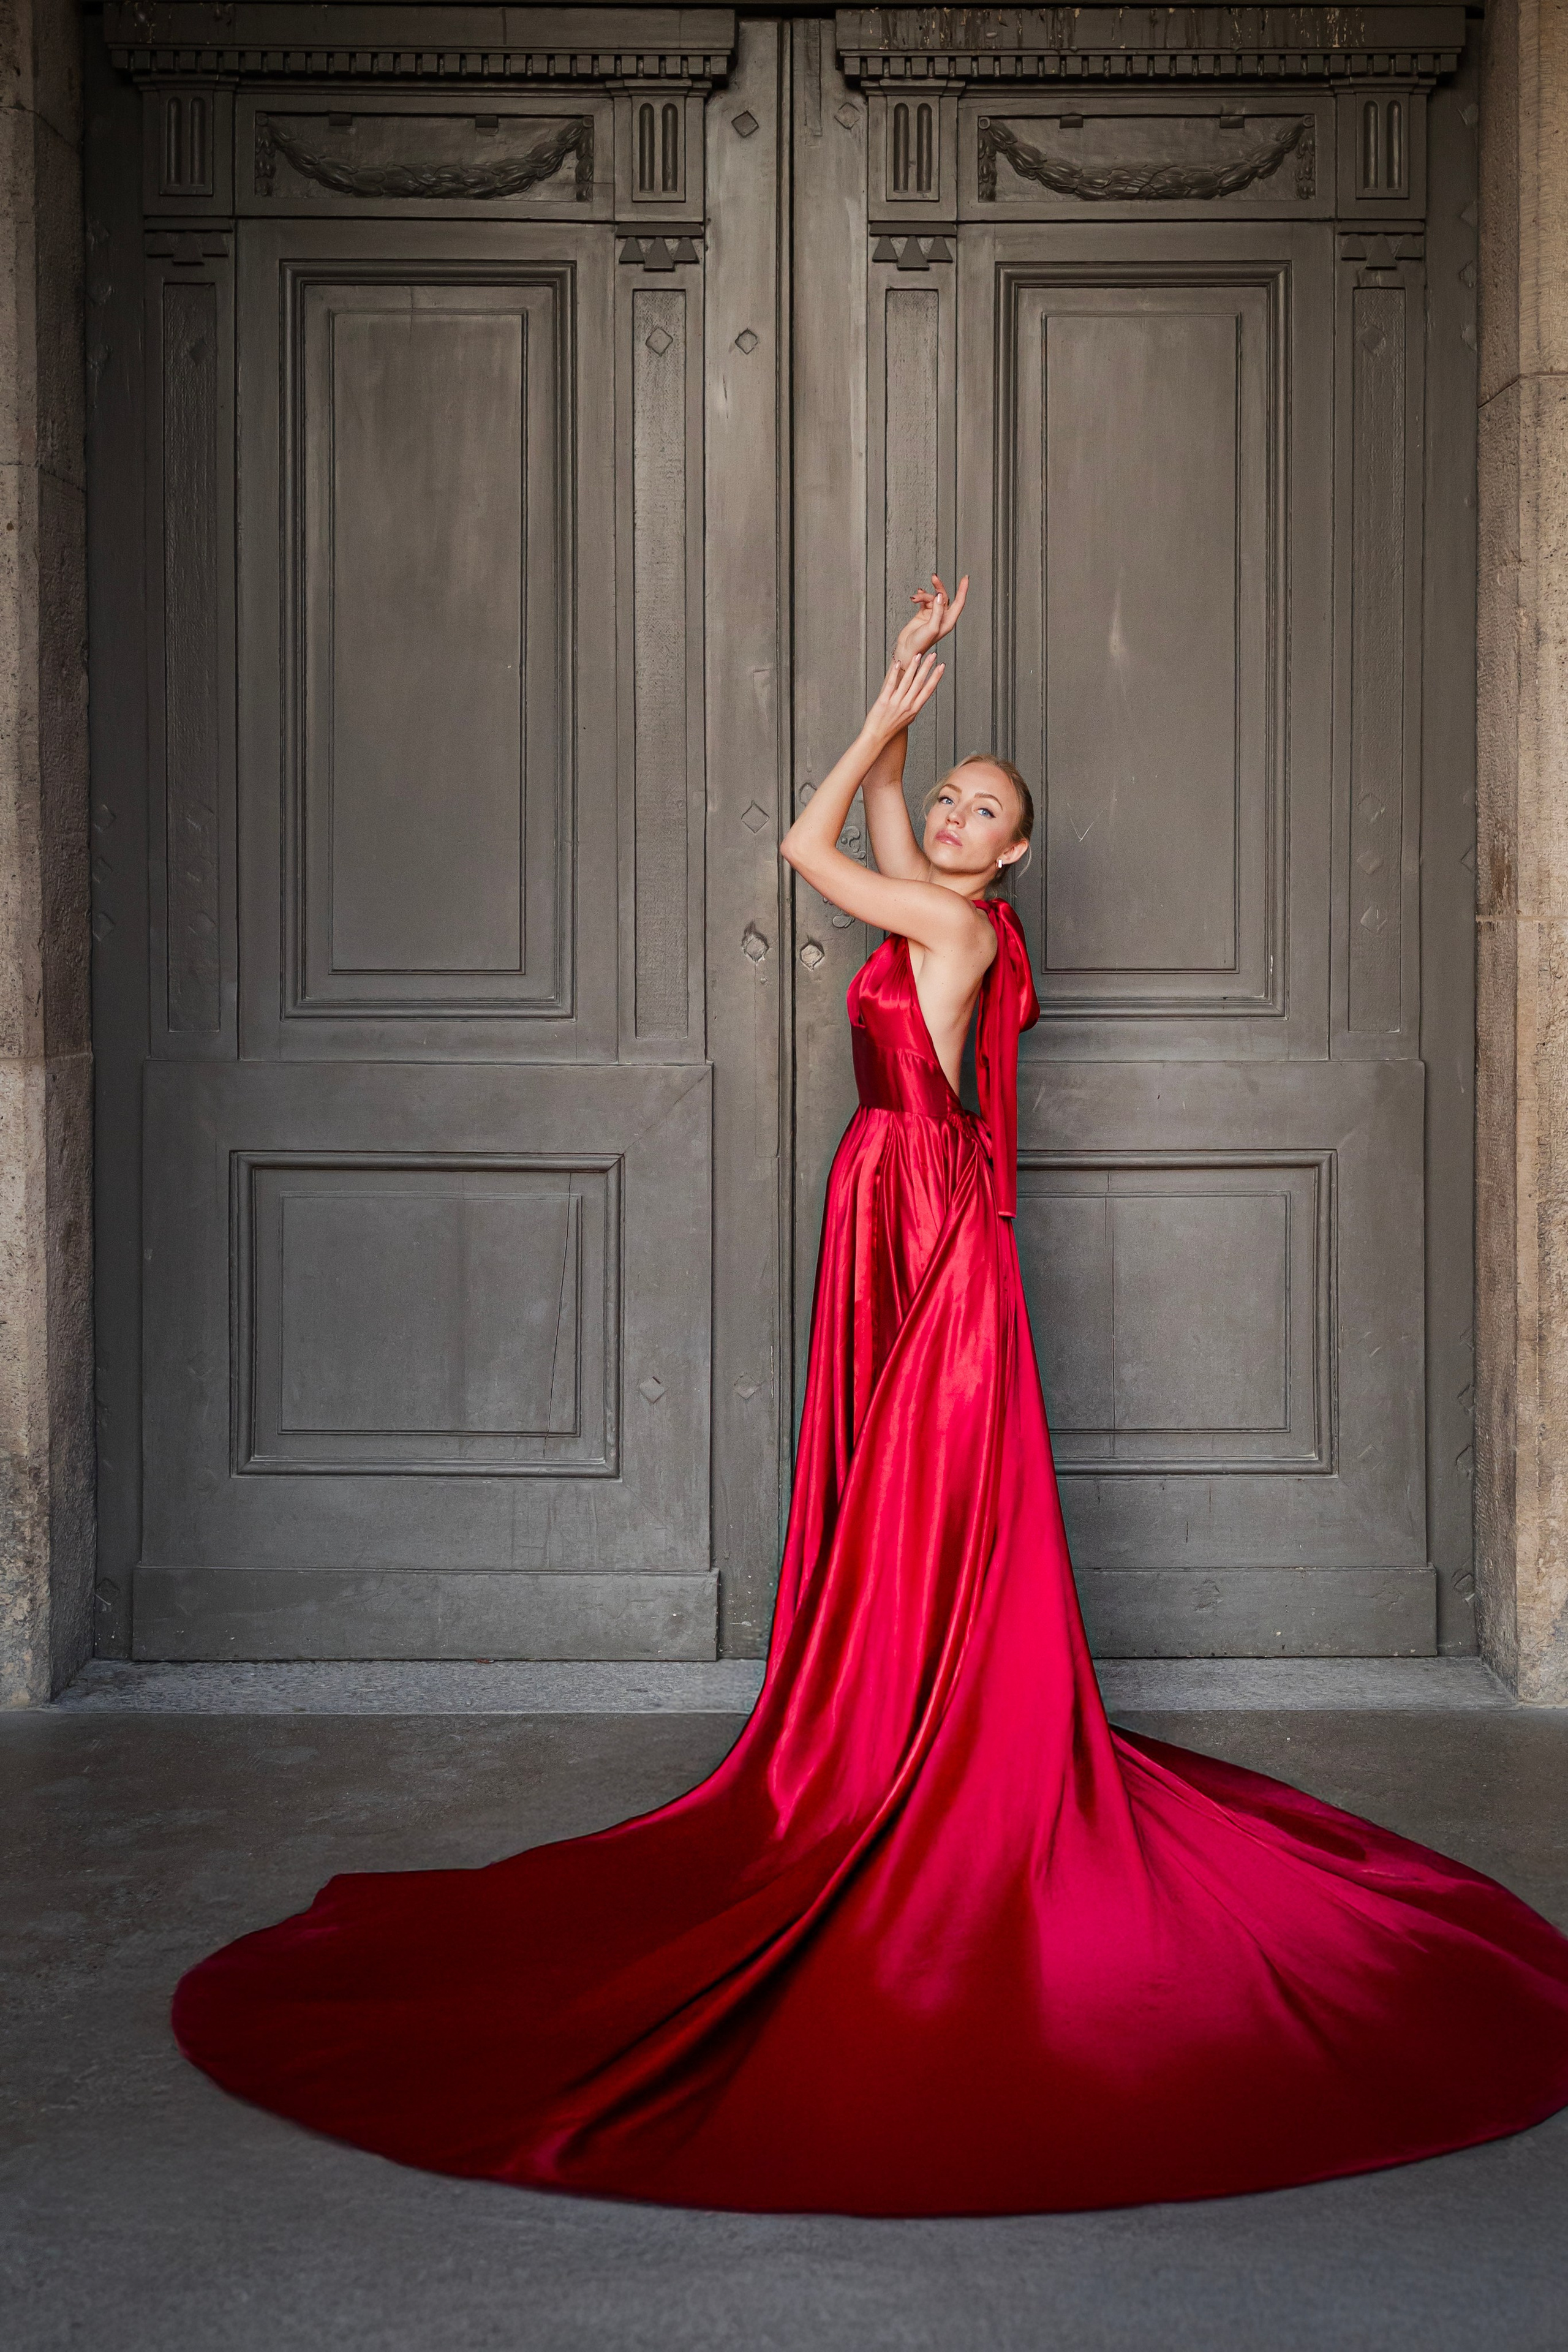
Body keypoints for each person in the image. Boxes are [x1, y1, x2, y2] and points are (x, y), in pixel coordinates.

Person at [173, 578, 1568, 2217]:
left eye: (988, 809)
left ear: (1015, 859)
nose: (962, 818)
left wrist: (871, 732)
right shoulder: (948, 908)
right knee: (901, 1520)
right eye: (959, 797)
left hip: (927, 1240)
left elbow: (801, 852)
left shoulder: (965, 928)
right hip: (895, 1215)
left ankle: (918, 1756)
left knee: (929, 1511)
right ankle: (892, 1724)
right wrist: (905, 715)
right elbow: (881, 858)